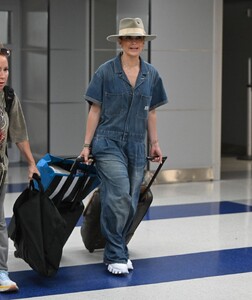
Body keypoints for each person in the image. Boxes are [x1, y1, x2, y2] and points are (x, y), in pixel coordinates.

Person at [80, 18, 168, 275]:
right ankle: (116, 253)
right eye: (129, 38)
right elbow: (94, 110)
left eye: (138, 39)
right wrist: (87, 145)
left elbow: (151, 112)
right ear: (120, 41)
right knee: (118, 192)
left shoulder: (151, 74)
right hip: (107, 142)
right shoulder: (106, 71)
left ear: (143, 43)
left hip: (137, 146)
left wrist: (155, 144)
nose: (133, 43)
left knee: (129, 200)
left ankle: (115, 245)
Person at [0, 44, 39, 292]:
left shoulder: (9, 97)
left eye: (5, 69)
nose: (2, 74)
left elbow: (19, 133)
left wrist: (31, 162)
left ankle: (1, 273)